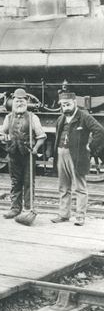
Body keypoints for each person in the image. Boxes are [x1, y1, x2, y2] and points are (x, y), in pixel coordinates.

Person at [51, 92, 104, 226]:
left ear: (75, 103)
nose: (66, 107)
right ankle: (63, 214)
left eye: (68, 104)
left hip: (77, 156)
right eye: (63, 105)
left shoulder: (84, 117)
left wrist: (90, 147)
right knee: (63, 187)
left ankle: (80, 216)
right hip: (61, 153)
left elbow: (100, 131)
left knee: (80, 187)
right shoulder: (60, 119)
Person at [0, 88, 47, 219]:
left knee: (28, 182)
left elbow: (42, 136)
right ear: (12, 102)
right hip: (13, 154)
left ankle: (27, 209)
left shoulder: (33, 117)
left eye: (21, 101)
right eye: (16, 101)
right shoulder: (8, 118)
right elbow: (2, 133)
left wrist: (35, 149)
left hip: (28, 155)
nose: (19, 103)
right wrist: (3, 137)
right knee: (15, 182)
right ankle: (15, 208)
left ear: (26, 102)